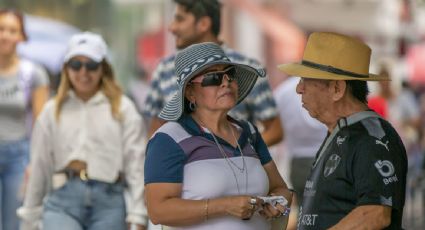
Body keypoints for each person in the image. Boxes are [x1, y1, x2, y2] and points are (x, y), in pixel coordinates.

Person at [144, 42, 293, 230]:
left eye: (229, 74)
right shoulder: (169, 139)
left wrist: (280, 204)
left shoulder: (249, 132)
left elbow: (281, 189)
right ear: (190, 92)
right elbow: (158, 211)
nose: (226, 82)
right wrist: (224, 206)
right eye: (213, 78)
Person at [17, 32, 147, 230]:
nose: (83, 72)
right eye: (76, 65)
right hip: (62, 201)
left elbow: (136, 164)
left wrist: (138, 214)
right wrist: (30, 217)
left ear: (103, 68)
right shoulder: (52, 111)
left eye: (92, 65)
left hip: (110, 202)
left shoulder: (123, 109)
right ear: (66, 69)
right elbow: (39, 166)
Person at [278, 32, 408, 229]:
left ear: (337, 89)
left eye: (306, 80)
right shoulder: (341, 131)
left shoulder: (372, 137)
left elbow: (375, 214)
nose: (298, 89)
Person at [143, 0, 283, 146]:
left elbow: (274, 129)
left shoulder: (247, 67)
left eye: (180, 19)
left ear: (203, 24)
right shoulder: (164, 69)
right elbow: (155, 131)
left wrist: (241, 154)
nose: (172, 28)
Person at [0, 9, 49, 230]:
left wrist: (34, 162)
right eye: (1, 29)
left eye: (12, 30)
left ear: (21, 36)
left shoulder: (33, 73)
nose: (5, 35)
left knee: (14, 223)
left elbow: (41, 124)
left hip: (17, 157)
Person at [273, 77, 327, 229]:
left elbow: (275, 122)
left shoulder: (282, 90)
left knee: (305, 210)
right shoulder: (321, 84)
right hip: (324, 155)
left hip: (297, 162)